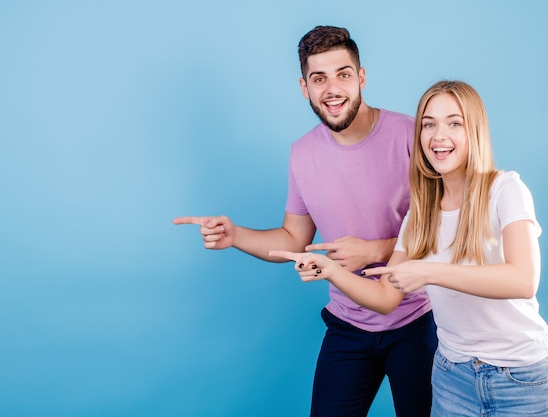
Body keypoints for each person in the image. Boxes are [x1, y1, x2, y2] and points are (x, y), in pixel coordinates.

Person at [173, 26, 437, 417]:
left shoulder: (414, 136)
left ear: (361, 77)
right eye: (319, 78)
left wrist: (375, 250)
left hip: (416, 321)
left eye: (343, 74)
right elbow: (294, 238)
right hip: (347, 325)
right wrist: (236, 236)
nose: (332, 88)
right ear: (304, 87)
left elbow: (448, 230)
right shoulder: (302, 154)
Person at [271, 80, 548, 416]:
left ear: (474, 130)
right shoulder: (421, 214)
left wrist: (429, 272)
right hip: (452, 378)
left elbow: (523, 279)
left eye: (454, 123)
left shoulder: (505, 190)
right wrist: (331, 270)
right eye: (429, 124)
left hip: (520, 377)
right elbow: (385, 298)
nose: (438, 136)